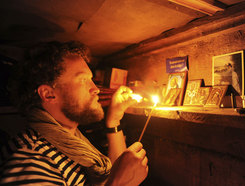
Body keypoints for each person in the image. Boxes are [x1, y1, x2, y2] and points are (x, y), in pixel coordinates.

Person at [0, 41, 148, 185]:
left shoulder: (70, 141)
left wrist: (114, 119)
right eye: (83, 80)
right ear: (48, 94)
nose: (95, 88)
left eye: (91, 79)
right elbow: (115, 180)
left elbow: (112, 176)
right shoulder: (33, 164)